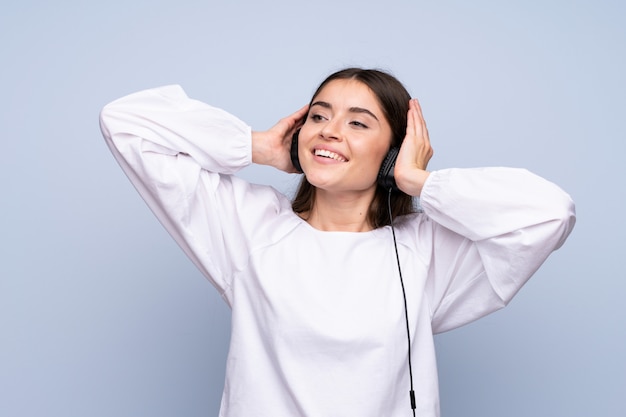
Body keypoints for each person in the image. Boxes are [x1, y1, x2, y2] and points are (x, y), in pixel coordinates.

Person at [99, 68, 576, 417]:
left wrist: (417, 179)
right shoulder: (248, 226)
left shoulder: (428, 253)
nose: (329, 130)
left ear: (392, 151)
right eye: (319, 115)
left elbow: (549, 213)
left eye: (358, 122)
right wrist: (256, 147)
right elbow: (124, 121)